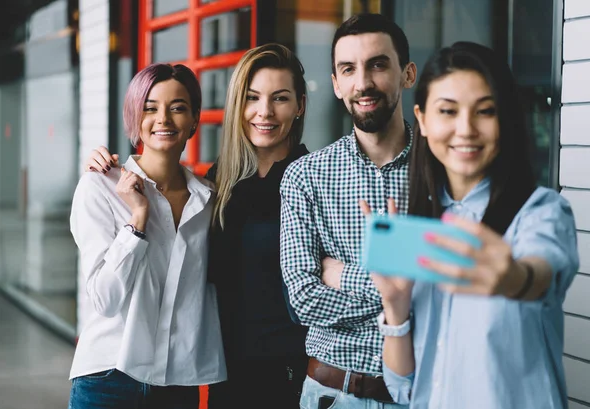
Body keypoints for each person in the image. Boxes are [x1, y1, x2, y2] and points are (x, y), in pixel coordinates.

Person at [83, 43, 310, 408]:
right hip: (224, 373)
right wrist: (113, 184)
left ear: (299, 105)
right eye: (252, 98)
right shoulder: (220, 184)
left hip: (289, 372)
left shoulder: (315, 180)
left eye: (280, 98)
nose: (264, 111)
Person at [371, 42, 579, 409]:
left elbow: (541, 270)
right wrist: (396, 304)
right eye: (448, 111)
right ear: (421, 118)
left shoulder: (541, 212)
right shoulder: (419, 229)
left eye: (485, 111)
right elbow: (403, 386)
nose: (465, 129)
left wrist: (514, 276)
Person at [69, 63, 226, 409]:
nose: (164, 119)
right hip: (107, 378)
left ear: (195, 118)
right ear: (135, 116)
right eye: (151, 108)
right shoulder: (99, 187)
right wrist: (137, 221)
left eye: (178, 107)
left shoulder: (209, 199)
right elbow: (105, 300)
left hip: (177, 384)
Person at [279, 13, 416, 408]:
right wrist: (397, 294)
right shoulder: (306, 177)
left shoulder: (440, 169)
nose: (363, 83)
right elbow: (304, 300)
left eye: (378, 64)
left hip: (423, 394)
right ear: (337, 85)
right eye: (348, 70)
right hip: (332, 396)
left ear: (407, 74)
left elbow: (448, 290)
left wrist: (345, 275)